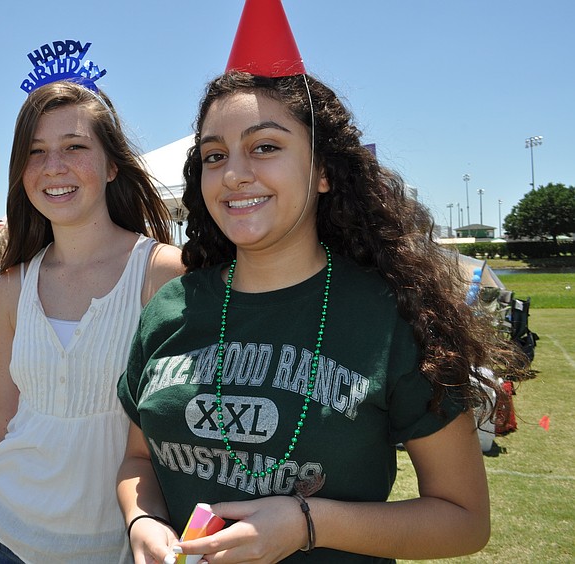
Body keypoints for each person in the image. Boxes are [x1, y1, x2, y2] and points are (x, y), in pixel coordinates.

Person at [116, 2, 530, 563]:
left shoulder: (390, 317)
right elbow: (138, 460)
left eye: (265, 146)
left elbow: (463, 520)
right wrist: (142, 518)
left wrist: (307, 523)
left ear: (324, 170)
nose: (235, 171)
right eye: (215, 155)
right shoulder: (170, 308)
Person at [0, 73, 184, 562]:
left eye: (74, 146)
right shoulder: (14, 283)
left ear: (110, 166)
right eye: (36, 152)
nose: (53, 167)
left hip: (118, 546)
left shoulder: (161, 274)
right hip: (8, 539)